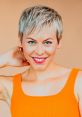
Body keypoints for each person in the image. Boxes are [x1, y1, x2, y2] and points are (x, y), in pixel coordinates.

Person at [0, 5, 82, 117]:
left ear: (58, 42)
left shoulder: (79, 81)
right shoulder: (10, 86)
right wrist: (4, 59)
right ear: (20, 41)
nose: (39, 51)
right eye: (31, 42)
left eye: (47, 42)